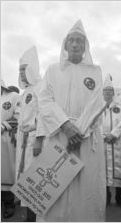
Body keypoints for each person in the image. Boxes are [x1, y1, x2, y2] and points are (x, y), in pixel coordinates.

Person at [34, 20, 106, 222]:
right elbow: (45, 100)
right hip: (59, 137)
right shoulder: (53, 70)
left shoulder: (95, 71)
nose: (75, 44)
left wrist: (79, 132)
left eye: (80, 41)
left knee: (85, 190)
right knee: (54, 189)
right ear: (65, 45)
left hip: (86, 138)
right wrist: (66, 126)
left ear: (85, 46)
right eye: (71, 40)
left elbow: (96, 104)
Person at [15, 46, 42, 222]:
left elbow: (43, 115)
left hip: (34, 140)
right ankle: (28, 215)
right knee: (25, 175)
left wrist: (38, 138)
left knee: (35, 178)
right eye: (20, 70)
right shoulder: (26, 92)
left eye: (24, 69)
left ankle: (34, 216)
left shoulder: (41, 88)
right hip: (23, 140)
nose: (22, 73)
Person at [102, 74, 121, 208]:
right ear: (102, 93)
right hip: (103, 142)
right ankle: (105, 198)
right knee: (103, 171)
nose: (107, 93)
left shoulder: (120, 106)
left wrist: (113, 135)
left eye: (109, 91)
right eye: (105, 91)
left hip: (116, 142)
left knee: (120, 170)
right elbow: (95, 124)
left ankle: (120, 198)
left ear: (113, 93)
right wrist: (104, 136)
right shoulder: (99, 107)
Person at [1, 79, 19, 219]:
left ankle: (8, 203)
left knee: (6, 173)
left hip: (5, 140)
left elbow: (20, 116)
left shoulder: (13, 96)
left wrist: (3, 126)